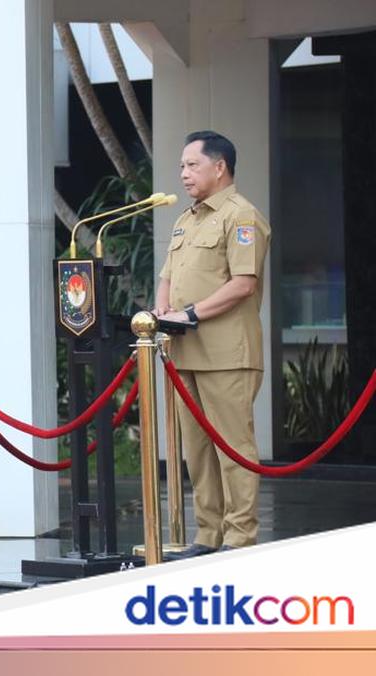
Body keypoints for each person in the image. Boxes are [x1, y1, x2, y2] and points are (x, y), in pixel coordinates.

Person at [154, 130, 270, 559]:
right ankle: (209, 536)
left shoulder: (242, 217)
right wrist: (163, 312)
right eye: (182, 166)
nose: (183, 173)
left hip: (226, 355)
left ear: (219, 167)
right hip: (186, 354)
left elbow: (243, 284)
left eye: (192, 165)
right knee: (198, 453)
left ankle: (239, 539)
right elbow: (168, 276)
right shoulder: (187, 219)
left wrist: (190, 314)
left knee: (232, 449)